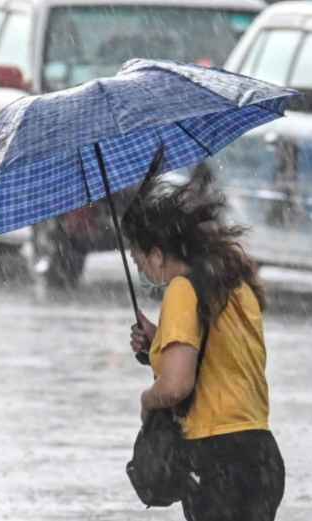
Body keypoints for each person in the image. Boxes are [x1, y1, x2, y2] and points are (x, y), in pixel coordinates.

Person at [122, 146, 285, 521]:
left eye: (139, 260)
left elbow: (178, 385)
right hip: (261, 455)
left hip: (216, 459)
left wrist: (148, 399)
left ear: (158, 254)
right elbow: (221, 358)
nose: (143, 271)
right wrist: (158, 341)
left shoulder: (181, 291)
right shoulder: (235, 284)